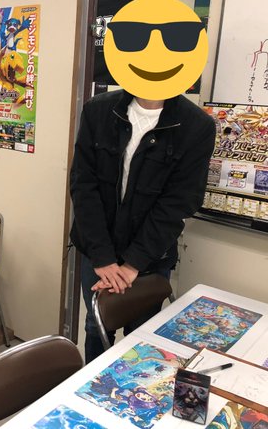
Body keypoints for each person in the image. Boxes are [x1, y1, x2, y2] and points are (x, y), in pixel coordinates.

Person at [70, 89, 215, 362]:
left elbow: (178, 203)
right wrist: (102, 256)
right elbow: (83, 185)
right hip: (97, 247)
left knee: (142, 334)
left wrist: (133, 263)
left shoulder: (197, 125)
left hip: (151, 256)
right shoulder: (98, 110)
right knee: (96, 326)